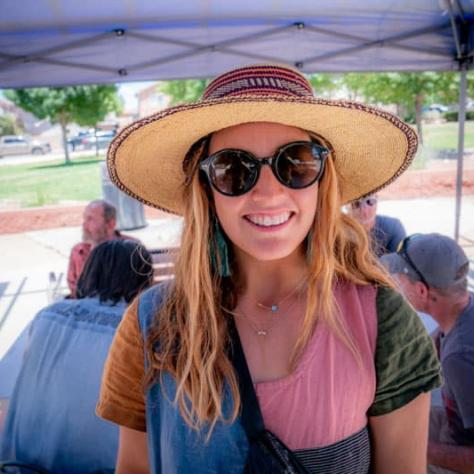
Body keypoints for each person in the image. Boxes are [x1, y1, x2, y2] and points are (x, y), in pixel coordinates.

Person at [97, 64, 441, 473]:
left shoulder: (383, 322)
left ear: (322, 178)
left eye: (295, 163)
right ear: (206, 191)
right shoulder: (151, 325)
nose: (268, 192)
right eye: (233, 169)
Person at [1, 240, 154, 473]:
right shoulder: (140, 330)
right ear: (144, 282)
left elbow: (8, 391)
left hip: (18, 466)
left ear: (89, 273)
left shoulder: (48, 315)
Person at [382, 233, 474, 473]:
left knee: (393, 454)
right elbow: (439, 341)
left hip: (463, 453)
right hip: (456, 425)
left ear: (422, 291)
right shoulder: (464, 308)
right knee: (392, 425)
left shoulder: (459, 357)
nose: (398, 285)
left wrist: (417, 448)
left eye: (401, 279)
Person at [67, 199, 136, 297]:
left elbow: (139, 289)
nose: (84, 225)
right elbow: (74, 290)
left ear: (110, 224)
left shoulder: (131, 248)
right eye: (84, 219)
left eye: (90, 219)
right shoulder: (79, 251)